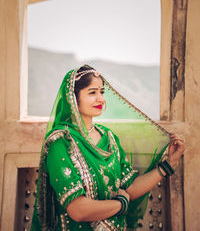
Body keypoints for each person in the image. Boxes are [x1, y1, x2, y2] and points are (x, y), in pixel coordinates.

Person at [31, 65, 185, 231]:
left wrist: (169, 164)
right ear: (73, 98)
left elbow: (130, 188)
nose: (101, 99)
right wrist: (121, 204)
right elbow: (78, 210)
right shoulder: (60, 142)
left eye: (102, 92)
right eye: (92, 92)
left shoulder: (109, 138)